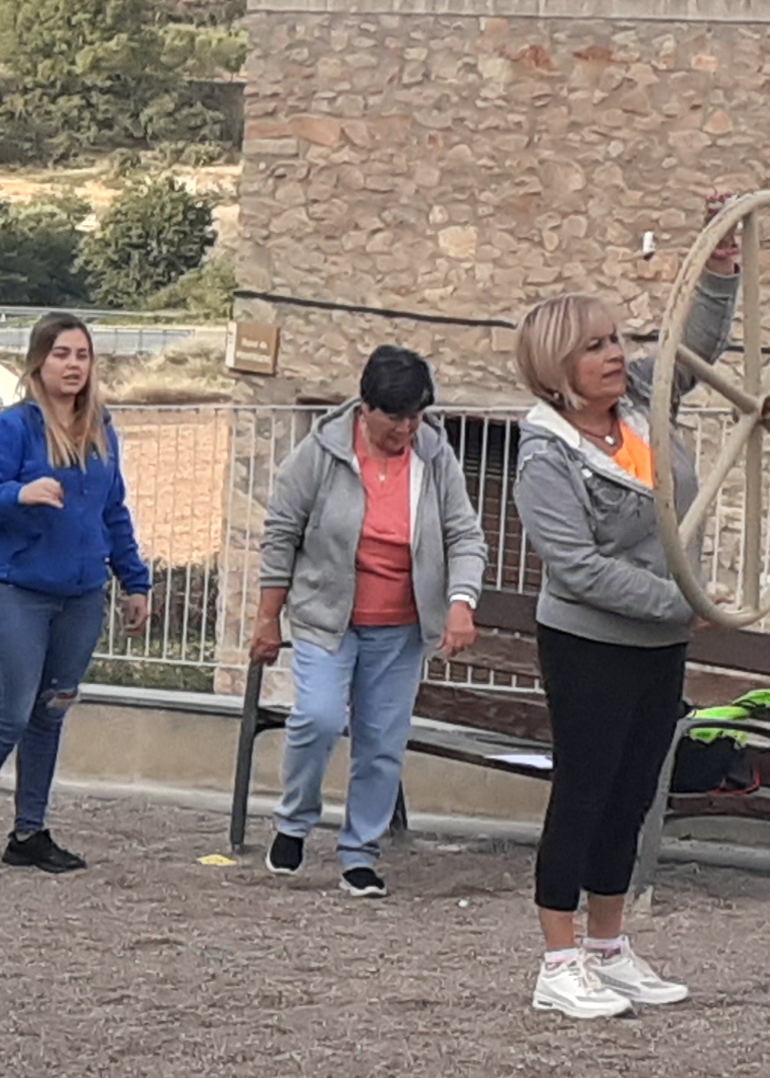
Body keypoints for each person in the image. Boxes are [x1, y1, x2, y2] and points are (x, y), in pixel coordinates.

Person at [506, 242, 735, 1016]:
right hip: (588, 644)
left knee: (635, 793)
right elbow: (576, 567)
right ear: (556, 367)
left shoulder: (639, 403)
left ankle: (608, 947)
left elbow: (694, 347)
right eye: (594, 347)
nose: (614, 355)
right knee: (585, 792)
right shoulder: (546, 455)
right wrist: (680, 600)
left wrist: (719, 270)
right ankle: (558, 961)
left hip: (658, 643)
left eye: (614, 341)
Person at [249, 342, 486, 894]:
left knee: (381, 743)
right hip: (326, 618)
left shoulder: (435, 456)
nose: (407, 428)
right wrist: (267, 617)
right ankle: (294, 821)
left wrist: (461, 601)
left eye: (416, 416)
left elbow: (464, 534)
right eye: (395, 417)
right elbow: (281, 533)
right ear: (366, 407)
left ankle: (360, 853)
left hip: (400, 627)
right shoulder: (318, 453)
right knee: (318, 718)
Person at [0, 312, 152, 876]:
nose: (73, 365)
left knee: (50, 714)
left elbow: (113, 512)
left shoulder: (101, 430)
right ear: (38, 362)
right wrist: (20, 493)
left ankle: (29, 833)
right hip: (16, 592)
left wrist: (134, 581)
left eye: (82, 355)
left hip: (80, 598)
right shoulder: (12, 429)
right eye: (62, 354)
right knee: (9, 715)